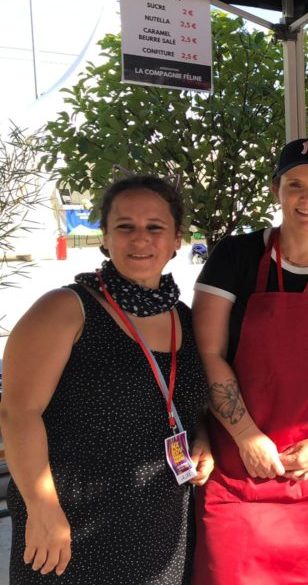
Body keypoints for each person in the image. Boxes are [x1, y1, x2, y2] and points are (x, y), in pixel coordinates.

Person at [1, 176, 212, 584]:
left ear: (175, 241)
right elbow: (17, 413)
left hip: (160, 525)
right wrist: (43, 509)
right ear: (105, 237)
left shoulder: (184, 318)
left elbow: (184, 403)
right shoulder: (66, 309)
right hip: (71, 525)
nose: (140, 240)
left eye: (154, 227)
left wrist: (201, 439)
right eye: (125, 226)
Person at [191, 139, 308, 584]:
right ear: (276, 189)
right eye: (294, 184)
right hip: (239, 472)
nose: (307, 197)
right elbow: (208, 353)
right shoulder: (235, 257)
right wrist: (246, 436)